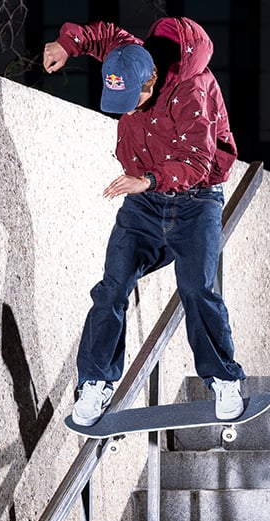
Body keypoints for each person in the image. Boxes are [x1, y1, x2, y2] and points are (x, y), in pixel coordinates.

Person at [44, 17, 247, 424]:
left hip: (196, 202)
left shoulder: (193, 88)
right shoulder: (129, 54)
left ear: (151, 81)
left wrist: (149, 179)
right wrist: (69, 44)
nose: (130, 110)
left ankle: (224, 379)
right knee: (112, 287)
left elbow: (197, 159)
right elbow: (100, 36)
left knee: (195, 289)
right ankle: (96, 382)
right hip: (144, 206)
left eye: (134, 101)